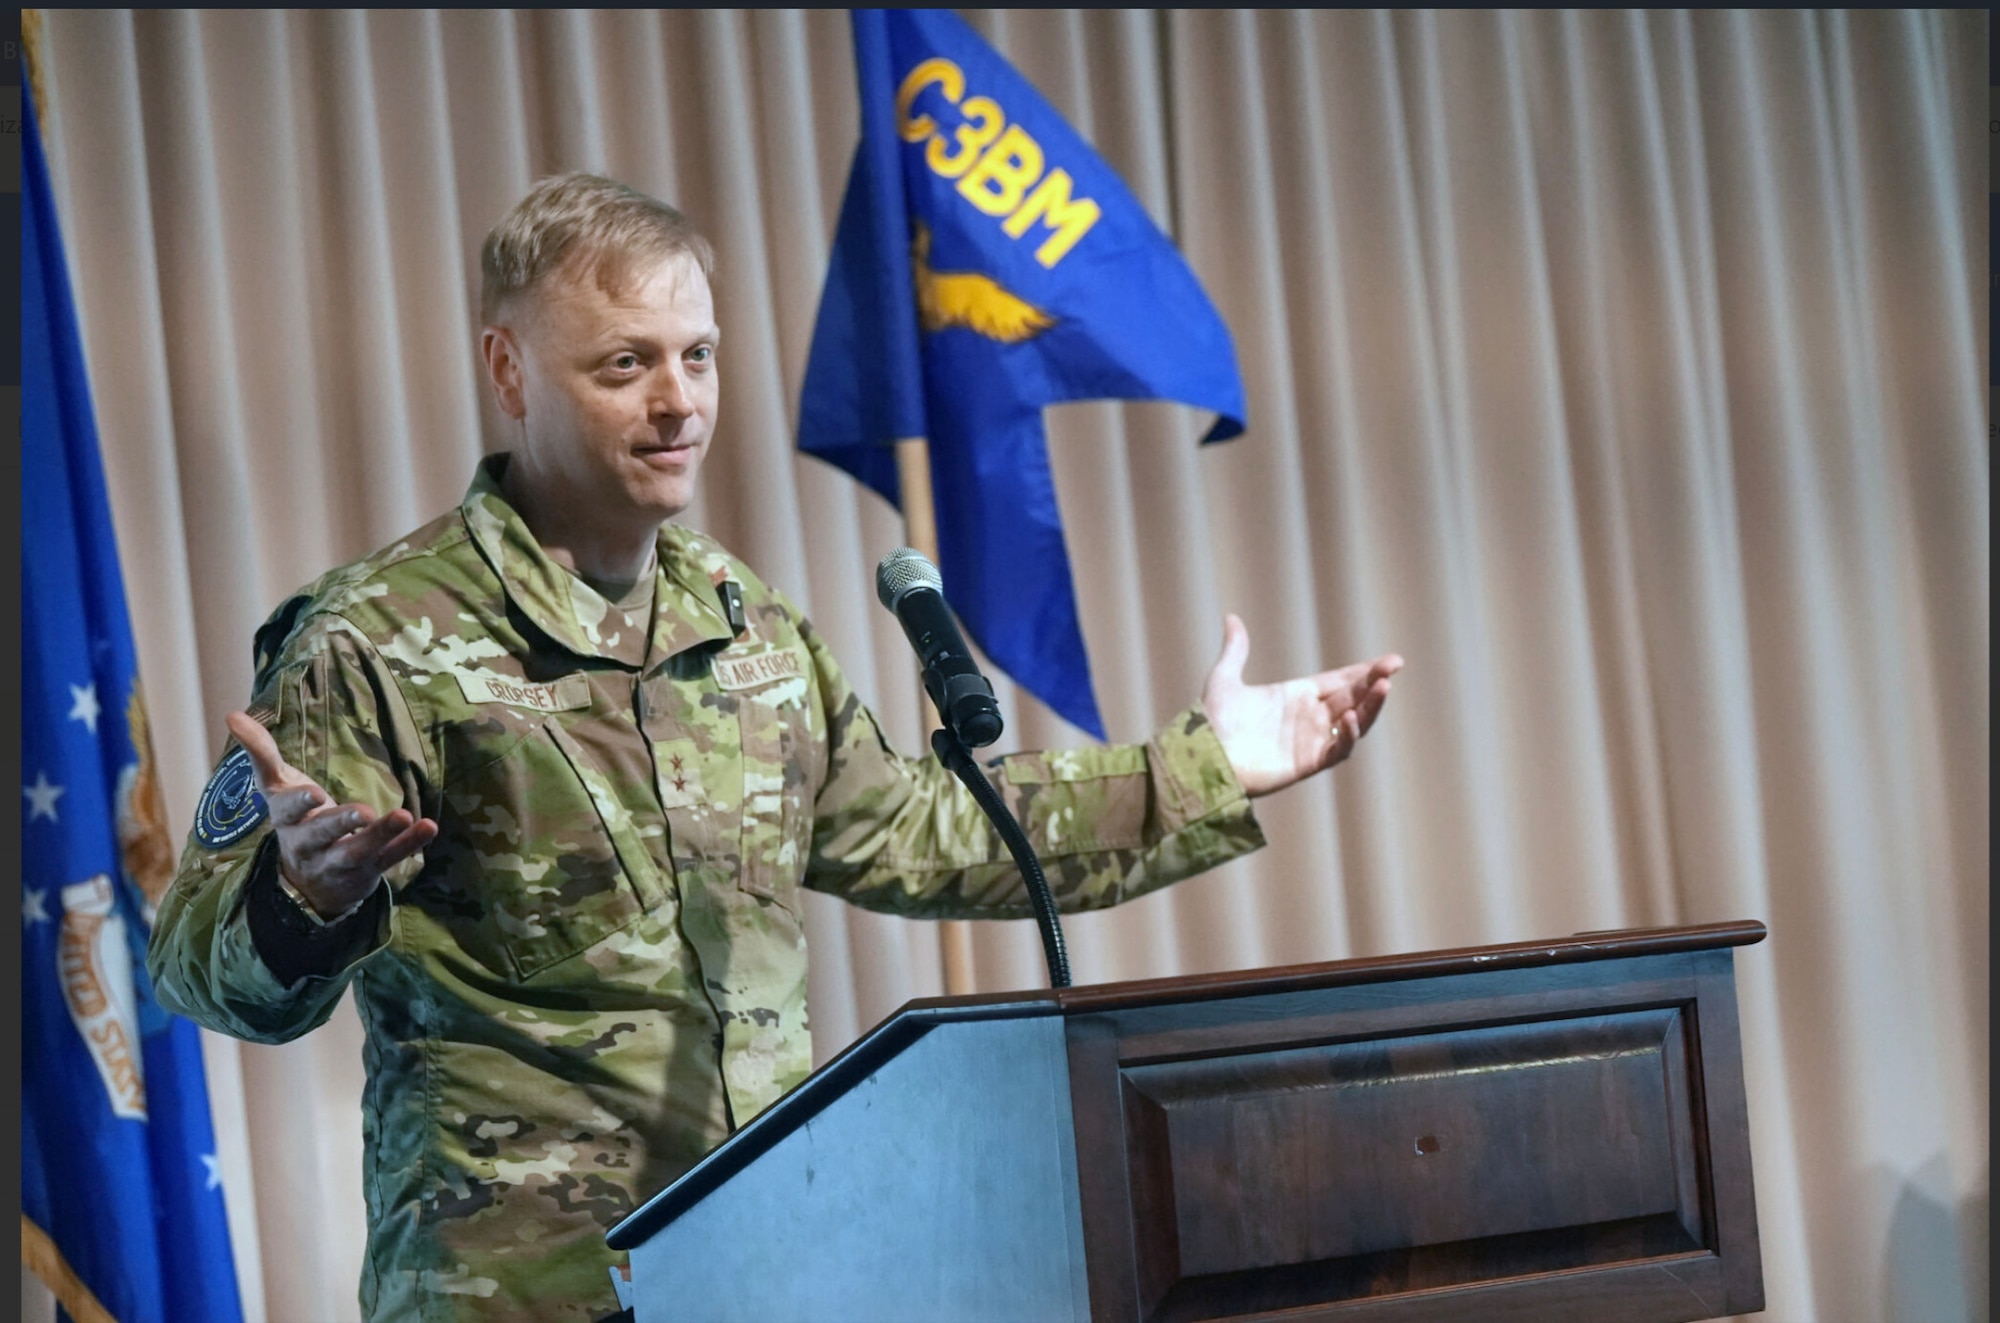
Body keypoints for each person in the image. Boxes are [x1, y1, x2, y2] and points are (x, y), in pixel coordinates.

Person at [150, 173, 1402, 1323]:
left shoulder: (745, 627)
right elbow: (196, 969)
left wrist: (1206, 768)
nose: (678, 400)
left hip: (771, 1273)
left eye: (696, 356)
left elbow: (927, 832)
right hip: (526, 1296)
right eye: (626, 363)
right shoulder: (377, 641)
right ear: (509, 368)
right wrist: (299, 896)